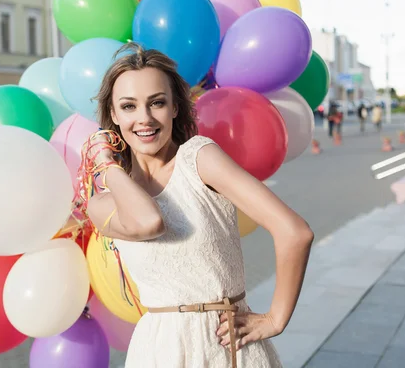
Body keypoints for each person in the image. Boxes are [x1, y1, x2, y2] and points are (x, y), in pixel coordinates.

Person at [85, 43, 314, 368]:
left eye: (157, 103)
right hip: (157, 352)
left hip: (224, 346)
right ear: (112, 114)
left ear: (176, 107)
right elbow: (148, 221)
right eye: (129, 106)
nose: (144, 118)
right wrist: (109, 169)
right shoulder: (103, 204)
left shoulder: (199, 158)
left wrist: (275, 319)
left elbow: (295, 232)